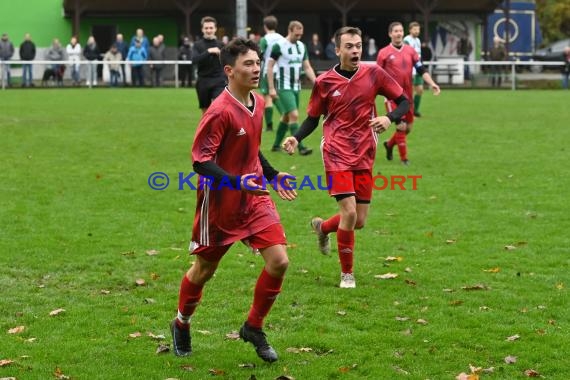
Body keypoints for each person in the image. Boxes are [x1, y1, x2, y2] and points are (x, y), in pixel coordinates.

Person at [170, 37, 297, 363]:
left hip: (253, 196)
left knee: (280, 261)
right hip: (220, 205)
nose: (256, 69)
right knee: (203, 270)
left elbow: (252, 150)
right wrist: (234, 181)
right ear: (229, 71)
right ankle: (181, 322)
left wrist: (272, 174)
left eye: (257, 63)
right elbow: (200, 160)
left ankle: (253, 326)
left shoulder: (258, 102)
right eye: (248, 64)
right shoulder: (219, 111)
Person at [282, 26, 409, 288]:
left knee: (359, 220)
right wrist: (297, 137)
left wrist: (389, 117)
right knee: (349, 213)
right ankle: (347, 275)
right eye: (349, 46)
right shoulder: (324, 82)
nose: (355, 51)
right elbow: (312, 118)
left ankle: (323, 227)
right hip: (336, 152)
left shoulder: (374, 74)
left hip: (364, 153)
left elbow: (404, 101)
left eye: (358, 46)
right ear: (337, 49)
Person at [377, 21, 441, 165]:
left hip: (407, 97)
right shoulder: (383, 53)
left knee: (408, 128)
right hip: (392, 98)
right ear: (390, 34)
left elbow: (421, 69)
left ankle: (389, 145)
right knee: (401, 126)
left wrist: (432, 83)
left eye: (400, 31)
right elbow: (377, 77)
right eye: (395, 31)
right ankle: (404, 159)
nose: (398, 33)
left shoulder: (410, 51)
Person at [267, 20, 316, 156]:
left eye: (301, 35)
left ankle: (276, 145)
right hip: (284, 86)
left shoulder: (302, 46)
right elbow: (270, 66)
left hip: (296, 86)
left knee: (287, 117)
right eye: (296, 34)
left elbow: (306, 66)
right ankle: (301, 147)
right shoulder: (279, 46)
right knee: (294, 114)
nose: (299, 37)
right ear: (290, 31)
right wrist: (271, 88)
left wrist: (316, 82)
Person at [192, 16, 227, 113]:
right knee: (206, 112)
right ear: (202, 29)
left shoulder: (222, 45)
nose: (209, 30)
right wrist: (209, 51)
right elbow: (194, 60)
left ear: (215, 29)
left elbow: (229, 62)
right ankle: (208, 128)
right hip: (203, 81)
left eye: (211, 28)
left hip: (219, 81)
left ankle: (219, 128)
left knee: (218, 107)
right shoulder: (197, 45)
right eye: (206, 28)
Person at [259, 15, 284, 132]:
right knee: (275, 94)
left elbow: (260, 54)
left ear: (265, 26)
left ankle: (269, 126)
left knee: (267, 97)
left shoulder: (264, 39)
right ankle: (286, 116)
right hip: (279, 70)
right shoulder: (282, 38)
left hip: (267, 70)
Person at [403, 21, 424, 117]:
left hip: (418, 67)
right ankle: (408, 112)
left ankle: (415, 111)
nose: (417, 31)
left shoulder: (418, 40)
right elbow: (405, 55)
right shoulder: (407, 40)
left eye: (418, 29)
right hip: (410, 68)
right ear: (410, 30)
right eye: (415, 29)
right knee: (409, 92)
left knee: (420, 90)